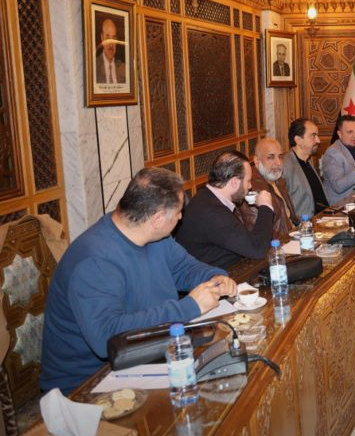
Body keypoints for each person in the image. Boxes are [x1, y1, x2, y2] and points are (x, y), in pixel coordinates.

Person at [40, 168, 237, 394]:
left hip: (147, 355)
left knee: (226, 369)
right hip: (89, 384)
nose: (181, 218)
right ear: (157, 219)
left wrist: (214, 277)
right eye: (178, 212)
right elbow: (108, 338)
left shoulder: (156, 237)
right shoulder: (94, 260)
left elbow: (185, 268)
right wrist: (188, 307)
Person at [175, 150, 274, 270]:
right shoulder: (211, 212)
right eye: (248, 181)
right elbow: (258, 250)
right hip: (214, 278)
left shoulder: (206, 197)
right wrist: (266, 207)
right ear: (234, 182)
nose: (250, 186)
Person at [240, 137, 297, 241]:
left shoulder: (277, 179)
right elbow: (261, 235)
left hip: (292, 235)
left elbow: (290, 218)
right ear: (257, 161)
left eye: (280, 157)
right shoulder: (252, 189)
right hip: (279, 244)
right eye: (271, 157)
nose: (278, 163)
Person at [283, 118, 328, 217]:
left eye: (317, 135)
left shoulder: (307, 161)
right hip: (304, 224)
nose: (318, 140)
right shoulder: (285, 166)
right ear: (298, 140)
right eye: (313, 136)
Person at [95, 17, 126, 85]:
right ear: (102, 38)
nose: (111, 44)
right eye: (108, 37)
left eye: (114, 38)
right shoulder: (94, 67)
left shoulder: (124, 68)